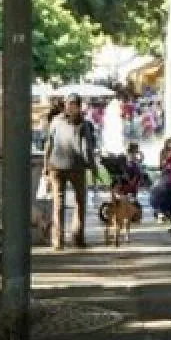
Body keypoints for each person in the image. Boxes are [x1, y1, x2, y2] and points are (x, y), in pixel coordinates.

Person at [43, 94, 98, 250]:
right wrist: (92, 167)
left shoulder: (55, 121)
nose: (71, 107)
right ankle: (78, 238)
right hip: (76, 167)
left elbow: (49, 144)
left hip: (56, 167)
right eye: (70, 104)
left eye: (72, 104)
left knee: (58, 204)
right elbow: (87, 148)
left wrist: (46, 165)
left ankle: (57, 241)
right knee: (79, 203)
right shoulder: (83, 124)